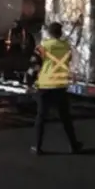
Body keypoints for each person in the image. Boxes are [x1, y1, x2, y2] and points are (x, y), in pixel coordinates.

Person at [29, 22, 83, 155]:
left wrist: (29, 81)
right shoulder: (66, 47)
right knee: (65, 117)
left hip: (45, 86)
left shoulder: (43, 46)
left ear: (49, 33)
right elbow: (70, 61)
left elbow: (34, 64)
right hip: (60, 86)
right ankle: (74, 145)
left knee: (41, 117)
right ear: (61, 33)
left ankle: (37, 146)